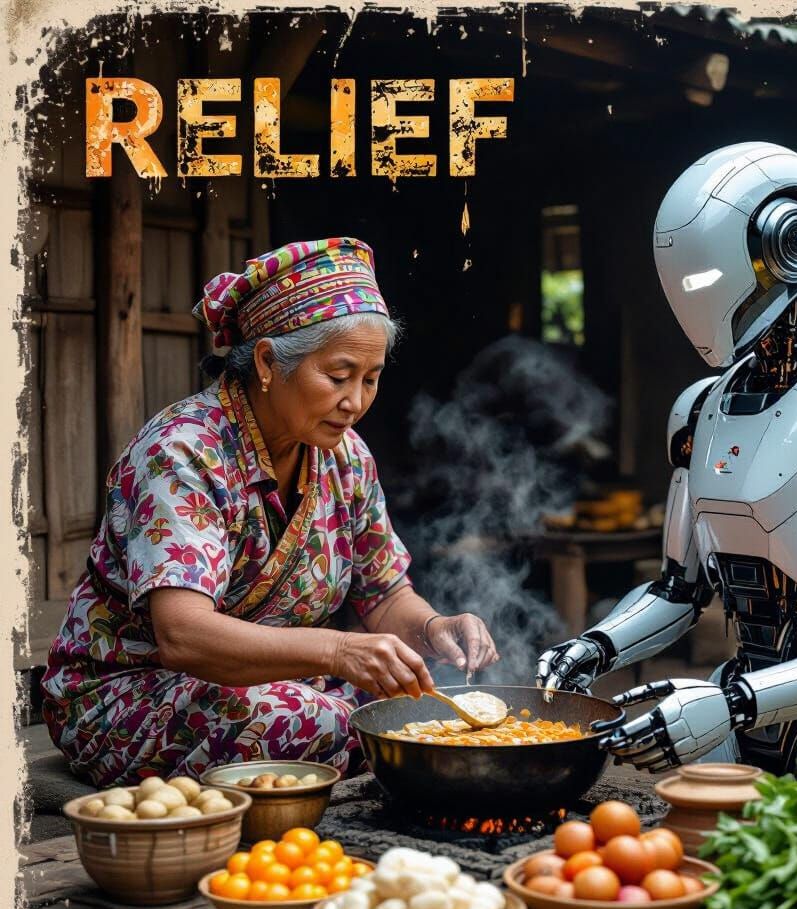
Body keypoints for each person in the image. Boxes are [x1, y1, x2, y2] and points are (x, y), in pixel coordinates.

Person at [536, 143, 797, 775]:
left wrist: (736, 701)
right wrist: (595, 648)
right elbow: (680, 591)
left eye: (706, 278)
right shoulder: (701, 408)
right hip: (730, 712)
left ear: (791, 243)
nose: (695, 298)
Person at [42, 237, 499, 786]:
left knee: (418, 708)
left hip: (295, 686)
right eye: (338, 375)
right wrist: (338, 650)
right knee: (325, 720)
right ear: (266, 362)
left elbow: (384, 596)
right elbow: (183, 636)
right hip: (137, 693)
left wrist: (433, 626)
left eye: (371, 378)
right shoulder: (183, 452)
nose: (355, 401)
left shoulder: (346, 457)